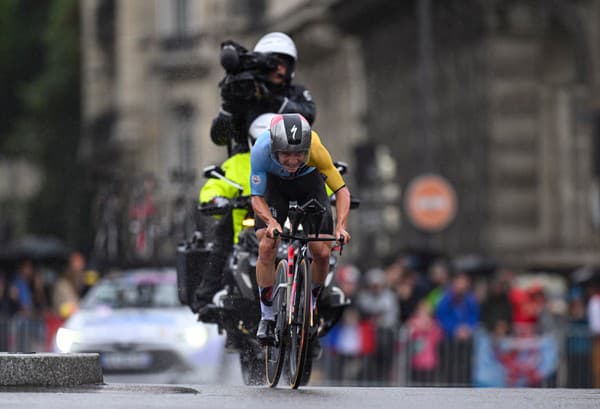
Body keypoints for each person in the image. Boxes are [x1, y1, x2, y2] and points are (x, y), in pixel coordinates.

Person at [249, 113, 351, 344]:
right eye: (286, 154)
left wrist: (341, 226)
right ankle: (266, 315)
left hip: (309, 185)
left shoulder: (315, 148)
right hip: (275, 188)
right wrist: (272, 222)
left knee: (323, 252)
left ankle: (311, 301)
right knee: (266, 245)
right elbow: (256, 197)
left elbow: (342, 191)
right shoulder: (261, 150)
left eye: (299, 154)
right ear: (275, 149)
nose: (293, 161)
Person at [192, 114, 275, 313]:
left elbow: (317, 183)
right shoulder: (238, 163)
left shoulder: (296, 161)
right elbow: (215, 185)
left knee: (318, 249)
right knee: (221, 247)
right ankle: (207, 296)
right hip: (247, 233)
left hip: (286, 232)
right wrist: (215, 199)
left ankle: (315, 300)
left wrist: (334, 194)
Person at [211, 32, 316, 156]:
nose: (279, 69)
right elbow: (219, 138)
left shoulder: (296, 92)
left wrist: (271, 98)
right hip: (247, 163)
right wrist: (228, 107)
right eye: (273, 64)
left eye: (284, 64)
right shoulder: (246, 93)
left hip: (290, 163)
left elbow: (307, 116)